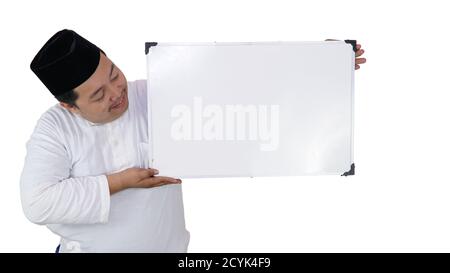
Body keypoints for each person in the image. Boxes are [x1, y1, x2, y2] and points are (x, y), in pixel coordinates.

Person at [21, 29, 190, 252]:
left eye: (114, 75)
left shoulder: (150, 95)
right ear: (70, 107)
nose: (117, 93)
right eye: (99, 95)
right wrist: (119, 182)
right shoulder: (55, 128)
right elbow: (36, 203)